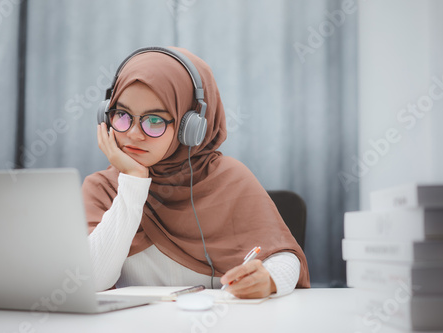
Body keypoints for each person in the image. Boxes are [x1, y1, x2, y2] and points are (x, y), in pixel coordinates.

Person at [82, 47, 310, 299]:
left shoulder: (229, 178)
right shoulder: (102, 187)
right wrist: (133, 181)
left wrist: (269, 279)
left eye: (155, 120)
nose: (134, 133)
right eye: (122, 115)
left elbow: (285, 258)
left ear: (190, 127)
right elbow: (92, 279)